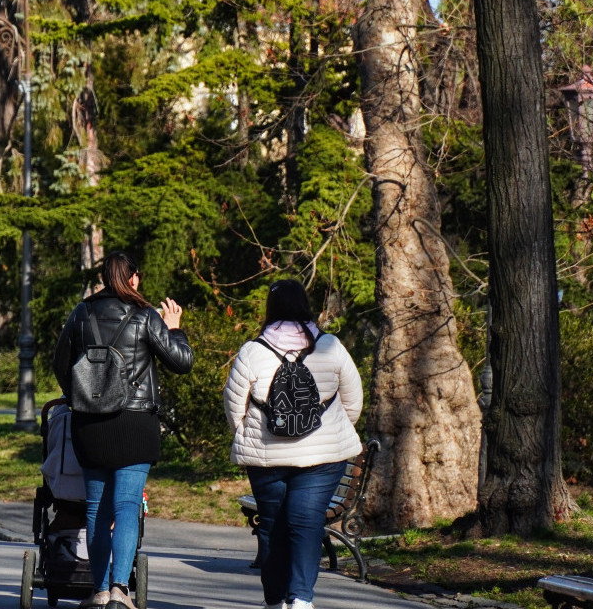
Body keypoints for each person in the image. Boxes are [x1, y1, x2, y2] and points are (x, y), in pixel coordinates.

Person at [52, 251, 194, 609]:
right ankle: (119, 590)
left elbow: (59, 363)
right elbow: (181, 362)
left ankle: (98, 591)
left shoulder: (80, 313)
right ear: (132, 279)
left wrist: (80, 398)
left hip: (91, 426)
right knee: (127, 506)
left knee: (96, 508)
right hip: (135, 423)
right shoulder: (146, 316)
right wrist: (175, 328)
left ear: (103, 277)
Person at [223, 279, 363, 609]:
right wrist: (332, 433)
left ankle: (274, 601)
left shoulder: (252, 351)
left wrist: (250, 434)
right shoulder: (330, 346)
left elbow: (233, 406)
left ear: (270, 310)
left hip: (266, 458)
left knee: (271, 527)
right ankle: (301, 599)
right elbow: (353, 401)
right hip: (321, 459)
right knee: (305, 522)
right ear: (305, 305)